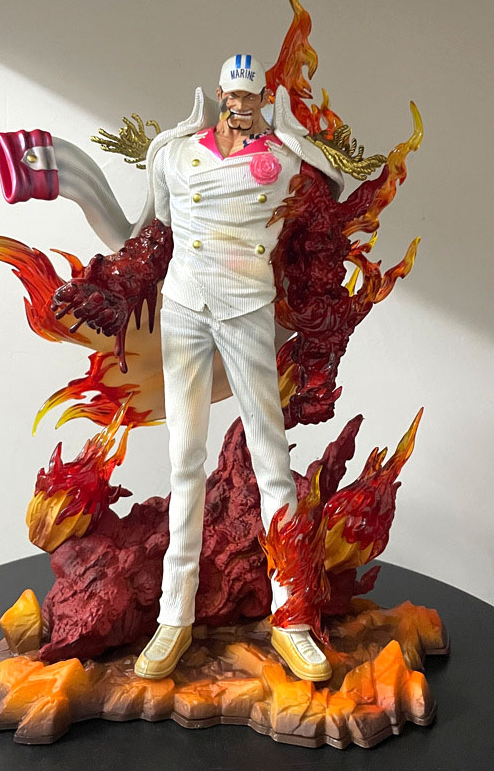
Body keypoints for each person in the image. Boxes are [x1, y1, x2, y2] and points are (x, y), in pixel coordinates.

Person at [55, 55, 344, 681]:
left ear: (263, 98)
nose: (240, 105)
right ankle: (174, 615)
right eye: (232, 95)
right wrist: (111, 286)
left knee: (271, 459)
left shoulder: (288, 160)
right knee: (184, 458)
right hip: (185, 309)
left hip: (248, 309)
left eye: (251, 96)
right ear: (219, 96)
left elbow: (328, 214)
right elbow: (152, 235)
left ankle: (292, 617)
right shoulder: (176, 153)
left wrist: (301, 138)